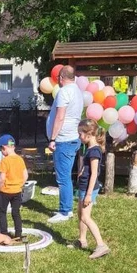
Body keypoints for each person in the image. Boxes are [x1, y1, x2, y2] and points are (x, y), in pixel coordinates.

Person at [45, 65, 83, 222]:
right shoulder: (77, 91)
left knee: (63, 177)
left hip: (63, 140)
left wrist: (52, 139)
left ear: (61, 78)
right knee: (65, 176)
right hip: (72, 137)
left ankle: (65, 211)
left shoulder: (64, 92)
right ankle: (67, 207)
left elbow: (60, 117)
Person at [68, 119, 110, 260]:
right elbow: (87, 169)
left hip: (88, 189)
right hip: (83, 187)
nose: (79, 136)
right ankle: (82, 240)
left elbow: (94, 174)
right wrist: (81, 171)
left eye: (80, 133)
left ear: (89, 134)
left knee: (86, 217)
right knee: (80, 215)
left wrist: (88, 194)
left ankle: (101, 245)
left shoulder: (95, 151)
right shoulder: (90, 149)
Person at [0, 134, 28, 240]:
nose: (1, 152)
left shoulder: (5, 161)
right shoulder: (20, 159)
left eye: (1, 150)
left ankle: (4, 234)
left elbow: (2, 178)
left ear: (4, 148)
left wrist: (0, 189)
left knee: (2, 212)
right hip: (17, 191)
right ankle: (18, 234)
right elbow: (25, 176)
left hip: (5, 191)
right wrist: (19, 185)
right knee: (16, 212)